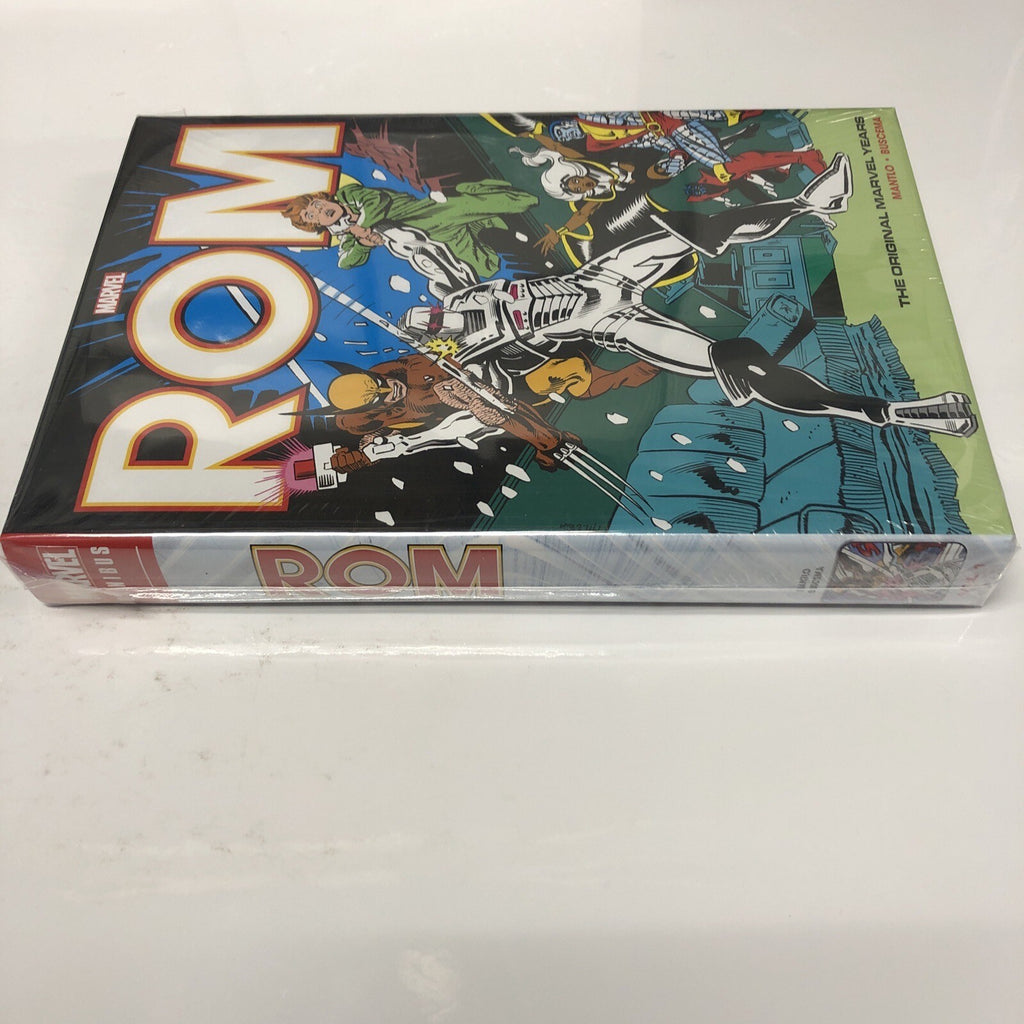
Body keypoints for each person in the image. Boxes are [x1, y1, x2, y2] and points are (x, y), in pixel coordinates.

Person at [397, 155, 977, 439]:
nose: (434, 319)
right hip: (614, 323)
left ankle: (810, 203)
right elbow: (477, 406)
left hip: (602, 277)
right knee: (741, 363)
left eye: (430, 314)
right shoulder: (467, 355)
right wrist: (457, 390)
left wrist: (371, 230)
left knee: (697, 229)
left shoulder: (458, 289)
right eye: (428, 326)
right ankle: (892, 413)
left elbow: (420, 247)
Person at [282, 177, 539, 280]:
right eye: (312, 215)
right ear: (317, 225)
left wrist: (361, 227)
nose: (319, 210)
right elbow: (346, 262)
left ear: (323, 198)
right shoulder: (345, 236)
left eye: (316, 204)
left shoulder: (349, 194)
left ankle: (476, 193)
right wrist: (361, 242)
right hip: (436, 239)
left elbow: (376, 202)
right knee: (486, 267)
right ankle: (477, 220)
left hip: (428, 212)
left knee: (515, 202)